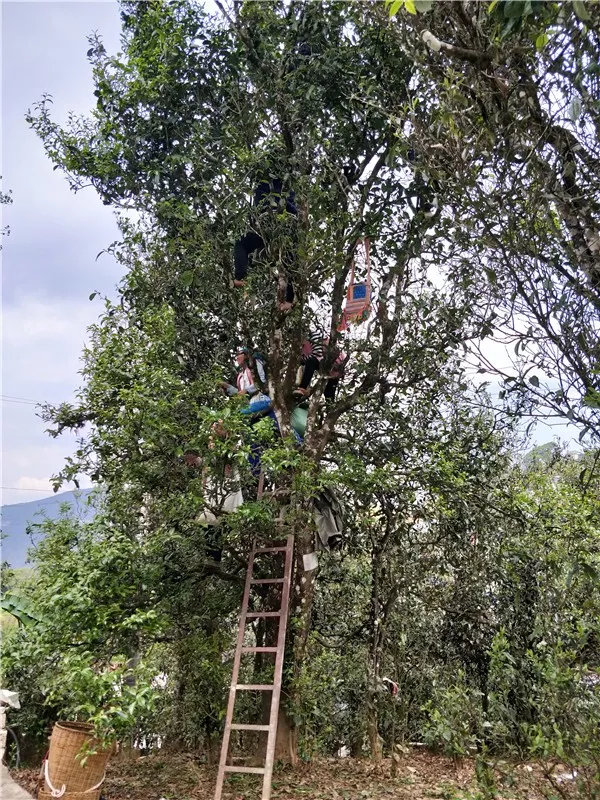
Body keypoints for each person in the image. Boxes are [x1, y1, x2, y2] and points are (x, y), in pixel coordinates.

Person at [233, 178, 297, 311]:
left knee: (241, 244)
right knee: (291, 260)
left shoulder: (276, 185)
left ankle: (241, 277)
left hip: (278, 223)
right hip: (271, 224)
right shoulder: (282, 186)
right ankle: (241, 277)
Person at [220, 347, 272, 417]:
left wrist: (247, 390)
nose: (236, 358)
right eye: (236, 355)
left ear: (246, 355)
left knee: (238, 416)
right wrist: (228, 387)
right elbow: (240, 393)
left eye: (239, 354)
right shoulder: (240, 376)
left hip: (261, 400)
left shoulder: (255, 363)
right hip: (249, 404)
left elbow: (262, 381)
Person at [293, 333, 346, 401]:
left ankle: (302, 388)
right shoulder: (298, 348)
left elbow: (316, 354)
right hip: (327, 366)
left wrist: (302, 360)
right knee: (328, 393)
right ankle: (302, 392)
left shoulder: (312, 337)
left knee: (311, 361)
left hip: (335, 364)